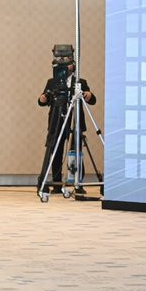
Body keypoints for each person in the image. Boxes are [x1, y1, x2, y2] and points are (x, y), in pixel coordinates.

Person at [36, 45, 97, 191]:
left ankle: (78, 183)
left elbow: (92, 100)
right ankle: (56, 183)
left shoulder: (80, 82)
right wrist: (42, 98)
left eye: (68, 62)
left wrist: (88, 95)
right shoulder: (52, 82)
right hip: (57, 120)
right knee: (56, 151)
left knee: (76, 151)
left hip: (75, 120)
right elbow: (42, 100)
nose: (65, 65)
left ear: (74, 65)